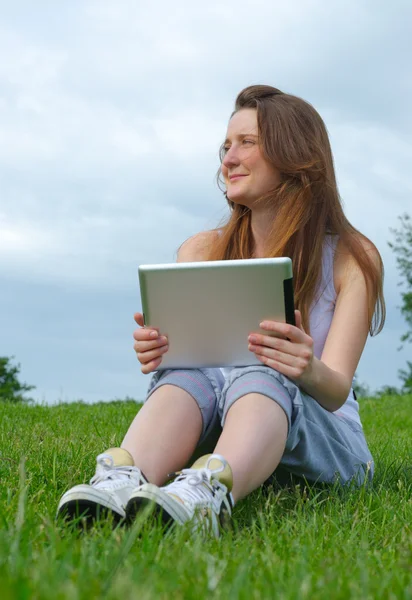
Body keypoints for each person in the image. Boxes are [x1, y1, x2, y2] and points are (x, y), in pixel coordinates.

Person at [57, 85, 385, 537]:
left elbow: (335, 391)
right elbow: (191, 367)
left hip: (331, 443)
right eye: (225, 146)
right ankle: (122, 480)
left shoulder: (352, 256)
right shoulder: (201, 249)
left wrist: (305, 368)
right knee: (186, 374)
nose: (227, 159)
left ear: (295, 154)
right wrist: (162, 349)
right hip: (229, 426)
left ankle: (209, 491)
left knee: (266, 370)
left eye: (246, 143)